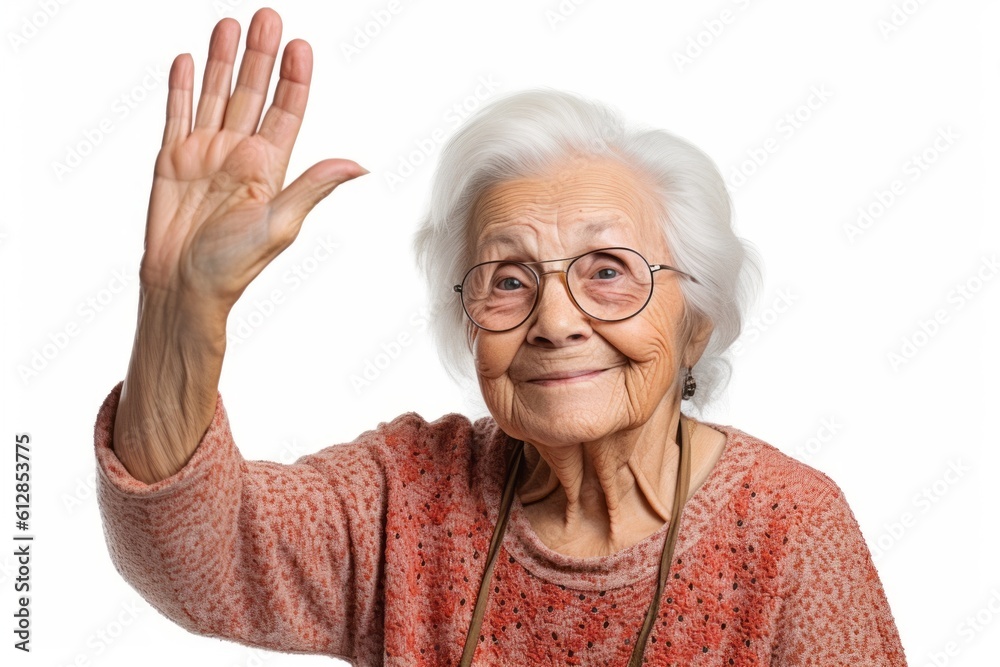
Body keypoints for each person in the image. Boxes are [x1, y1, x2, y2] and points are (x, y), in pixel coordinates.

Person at [94, 8, 907, 666]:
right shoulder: (409, 496)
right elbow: (197, 559)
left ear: (695, 318)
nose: (554, 322)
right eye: (509, 279)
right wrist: (179, 309)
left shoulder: (789, 528)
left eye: (608, 270)